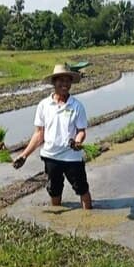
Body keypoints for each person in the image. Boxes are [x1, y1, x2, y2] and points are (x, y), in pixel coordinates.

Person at [12, 64, 92, 209]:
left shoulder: (77, 106)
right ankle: (56, 213)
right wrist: (24, 155)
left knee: (82, 188)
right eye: (61, 81)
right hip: (51, 156)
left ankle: (89, 216)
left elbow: (81, 131)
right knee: (54, 190)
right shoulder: (44, 105)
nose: (65, 84)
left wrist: (78, 141)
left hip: (71, 157)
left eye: (68, 81)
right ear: (54, 83)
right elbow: (39, 134)